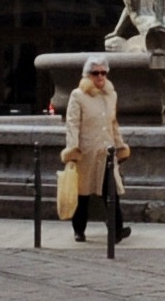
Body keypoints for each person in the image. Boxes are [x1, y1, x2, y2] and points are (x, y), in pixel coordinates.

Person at [62, 56, 132, 244]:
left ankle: (117, 229)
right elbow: (72, 124)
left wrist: (120, 146)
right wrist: (73, 149)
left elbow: (113, 124)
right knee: (83, 192)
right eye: (95, 73)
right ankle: (79, 229)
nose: (100, 76)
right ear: (88, 75)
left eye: (103, 72)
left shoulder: (111, 95)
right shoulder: (78, 95)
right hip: (87, 151)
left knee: (111, 191)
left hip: (107, 151)